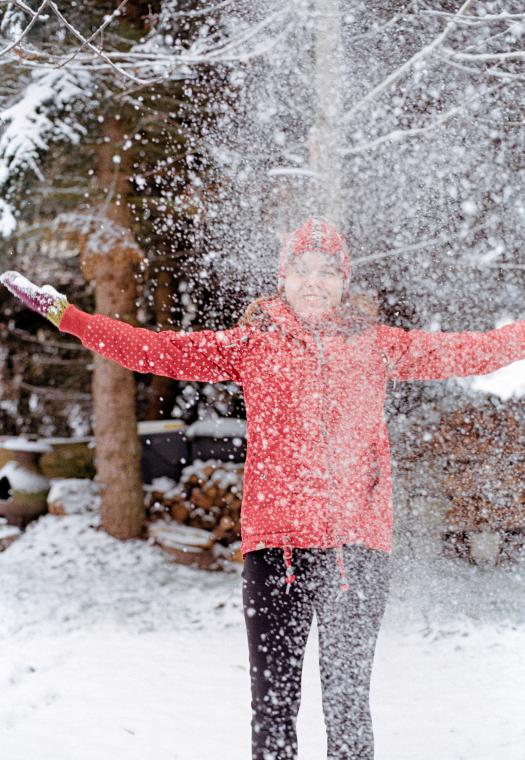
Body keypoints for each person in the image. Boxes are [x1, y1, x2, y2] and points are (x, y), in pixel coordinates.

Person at [2, 215, 525, 760]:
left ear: (345, 280)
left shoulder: (378, 346)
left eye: (328, 271)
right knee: (273, 707)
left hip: (358, 552)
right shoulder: (253, 346)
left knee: (349, 705)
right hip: (275, 552)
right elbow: (155, 350)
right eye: (302, 270)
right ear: (285, 278)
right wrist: (69, 317)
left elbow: (472, 350)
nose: (315, 282)